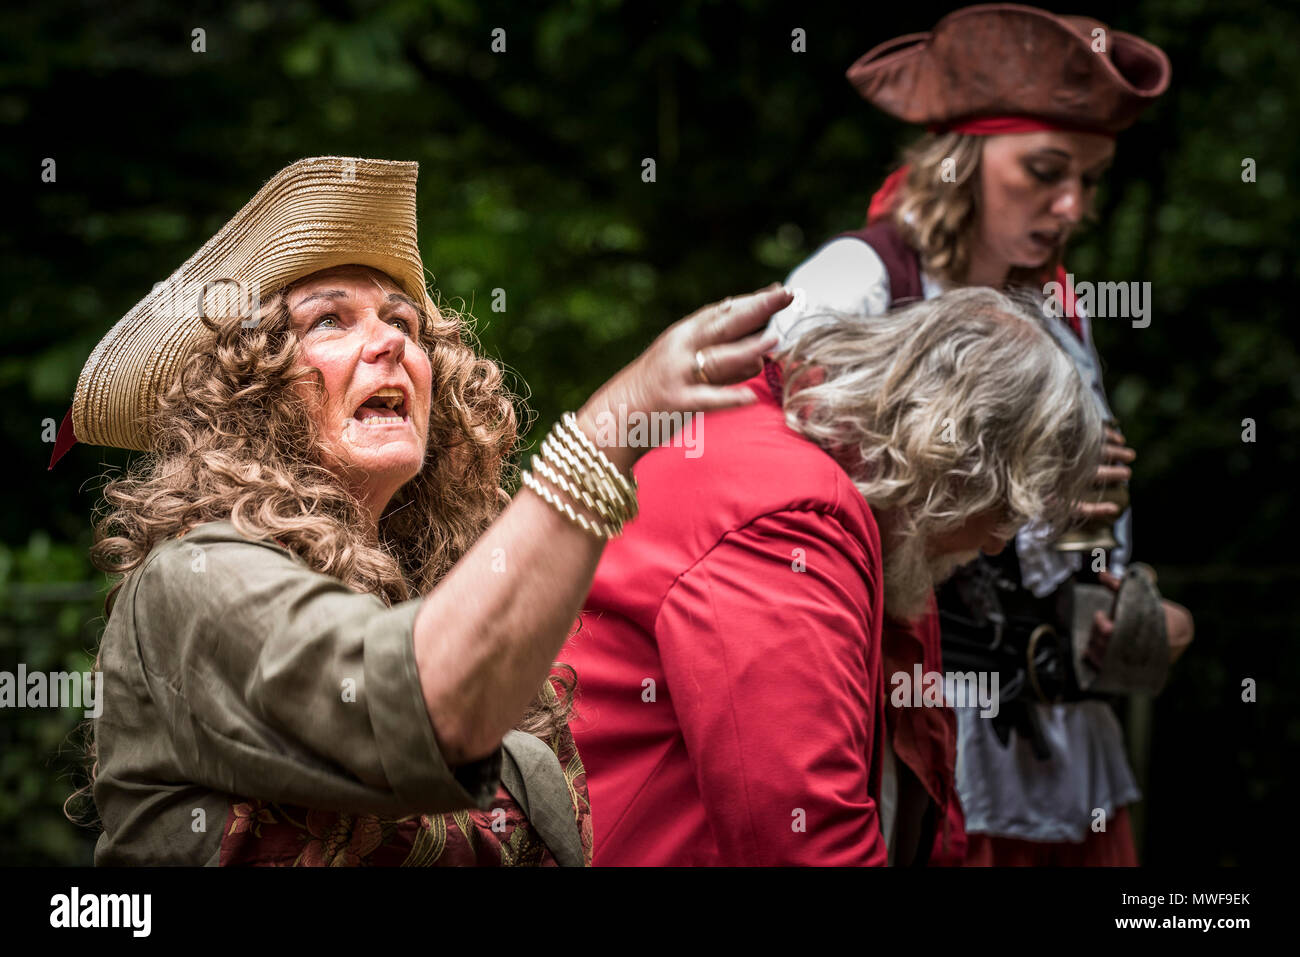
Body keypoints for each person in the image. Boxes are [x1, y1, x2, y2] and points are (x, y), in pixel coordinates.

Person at [63, 155, 791, 866]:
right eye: (329, 321)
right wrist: (607, 431)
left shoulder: (448, 596)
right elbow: (423, 705)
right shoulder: (192, 578)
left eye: (405, 323)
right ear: (246, 397)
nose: (391, 343)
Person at [768, 4, 1194, 865]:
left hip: (1067, 755)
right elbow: (770, 489)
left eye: (1092, 177)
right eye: (1044, 170)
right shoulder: (855, 280)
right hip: (925, 735)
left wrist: (1122, 609)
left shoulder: (1063, 316)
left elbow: (1077, 542)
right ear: (961, 162)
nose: (1071, 205)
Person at [562, 287, 1104, 866]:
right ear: (956, 463)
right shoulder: (790, 520)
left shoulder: (866, 512)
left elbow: (926, 791)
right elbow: (804, 844)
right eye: (1007, 510)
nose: (998, 541)